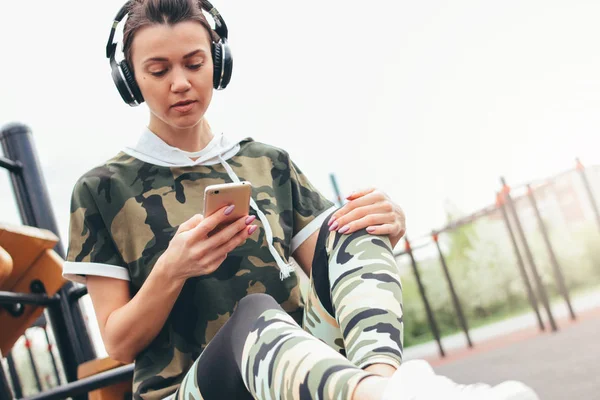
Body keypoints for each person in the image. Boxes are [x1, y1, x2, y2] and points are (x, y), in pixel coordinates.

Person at [62, 1, 539, 399]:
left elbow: (333, 267)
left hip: (304, 374)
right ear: (130, 80)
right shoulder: (100, 187)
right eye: (158, 70)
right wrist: (173, 268)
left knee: (351, 224)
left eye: (194, 62)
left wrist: (383, 222)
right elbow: (120, 344)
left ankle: (382, 385)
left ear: (218, 61)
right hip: (193, 390)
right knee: (255, 316)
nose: (181, 82)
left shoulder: (267, 162)